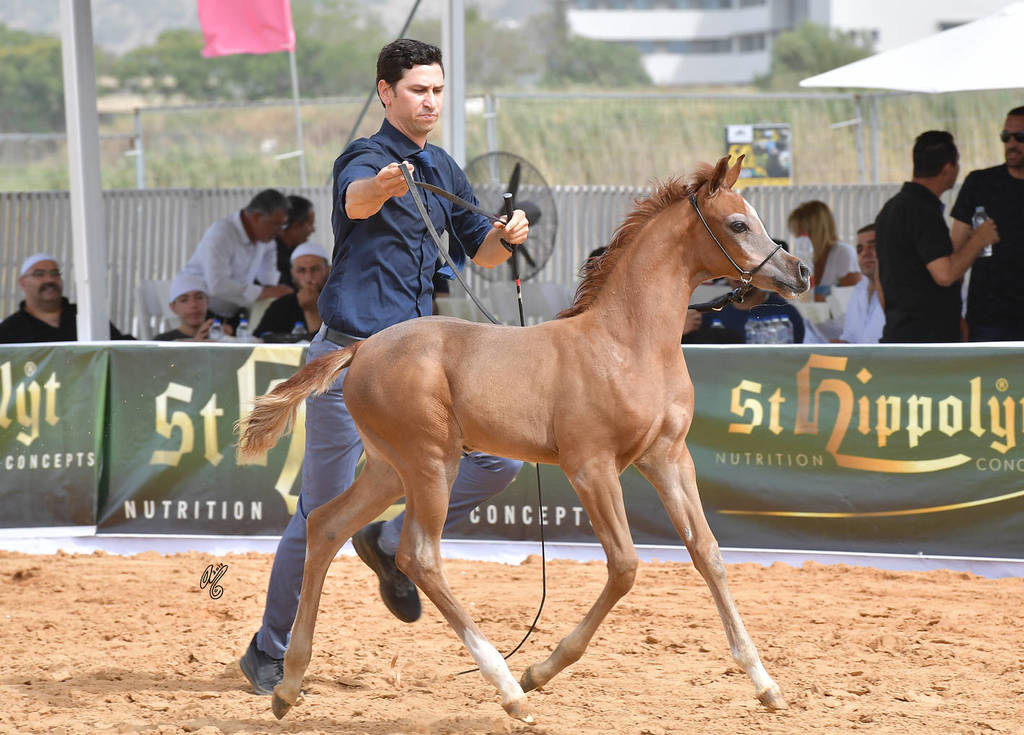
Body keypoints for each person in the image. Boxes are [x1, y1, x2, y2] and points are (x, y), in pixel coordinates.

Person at [238, 38, 531, 695]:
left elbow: (481, 254)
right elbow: (356, 202)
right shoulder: (365, 157)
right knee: (320, 511)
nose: (430, 101)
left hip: (419, 374)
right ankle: (269, 648)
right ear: (385, 93)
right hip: (346, 362)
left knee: (499, 461)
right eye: (418, 90)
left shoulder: (445, 167)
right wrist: (383, 186)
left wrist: (505, 237)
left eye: (437, 90)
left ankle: (391, 538)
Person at [875, 130, 997, 343]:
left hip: (901, 333)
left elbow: (880, 278)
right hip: (927, 341)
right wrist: (978, 239)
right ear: (949, 168)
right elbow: (945, 274)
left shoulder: (891, 208)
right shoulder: (922, 211)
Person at [950, 106, 1024, 341]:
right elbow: (955, 251)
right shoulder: (979, 183)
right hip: (988, 319)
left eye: (1020, 137)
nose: (1011, 144)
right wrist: (953, 313)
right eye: (1006, 137)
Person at [178, 188, 294, 321]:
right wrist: (264, 292)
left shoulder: (267, 241)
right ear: (256, 217)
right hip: (200, 315)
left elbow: (268, 280)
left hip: (236, 314)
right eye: (276, 225)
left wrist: (280, 292)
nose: (280, 232)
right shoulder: (222, 233)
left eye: (282, 226)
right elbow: (217, 285)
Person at [0, 254, 133, 343]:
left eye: (55, 273)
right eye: (39, 274)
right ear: (23, 282)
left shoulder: (84, 315)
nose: (49, 280)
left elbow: (118, 348)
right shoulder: (10, 330)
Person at [787, 200, 859, 341]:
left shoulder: (842, 253)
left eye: (803, 233)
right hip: (817, 336)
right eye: (797, 235)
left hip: (843, 339)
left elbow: (853, 304)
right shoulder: (809, 259)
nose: (800, 239)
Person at [682, 277, 805, 344]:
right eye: (731, 268)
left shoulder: (785, 313)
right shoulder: (711, 311)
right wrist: (681, 332)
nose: (738, 275)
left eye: (745, 269)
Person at [254, 242, 329, 338]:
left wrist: (311, 311)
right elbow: (259, 340)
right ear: (292, 274)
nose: (308, 278)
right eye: (301, 270)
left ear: (328, 270)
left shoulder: (340, 303)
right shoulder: (280, 306)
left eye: (315, 269)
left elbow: (328, 344)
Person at [836, 225, 885, 344]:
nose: (865, 254)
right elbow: (849, 339)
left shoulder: (902, 290)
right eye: (860, 249)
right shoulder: (858, 290)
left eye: (873, 246)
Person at [154, 273, 213, 341]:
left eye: (199, 297)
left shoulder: (220, 339)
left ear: (207, 302)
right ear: (173, 307)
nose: (193, 305)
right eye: (184, 300)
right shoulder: (162, 341)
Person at [274, 195, 317, 290]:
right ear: (295, 226)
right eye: (310, 224)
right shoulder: (270, 258)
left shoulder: (298, 252)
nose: (313, 230)